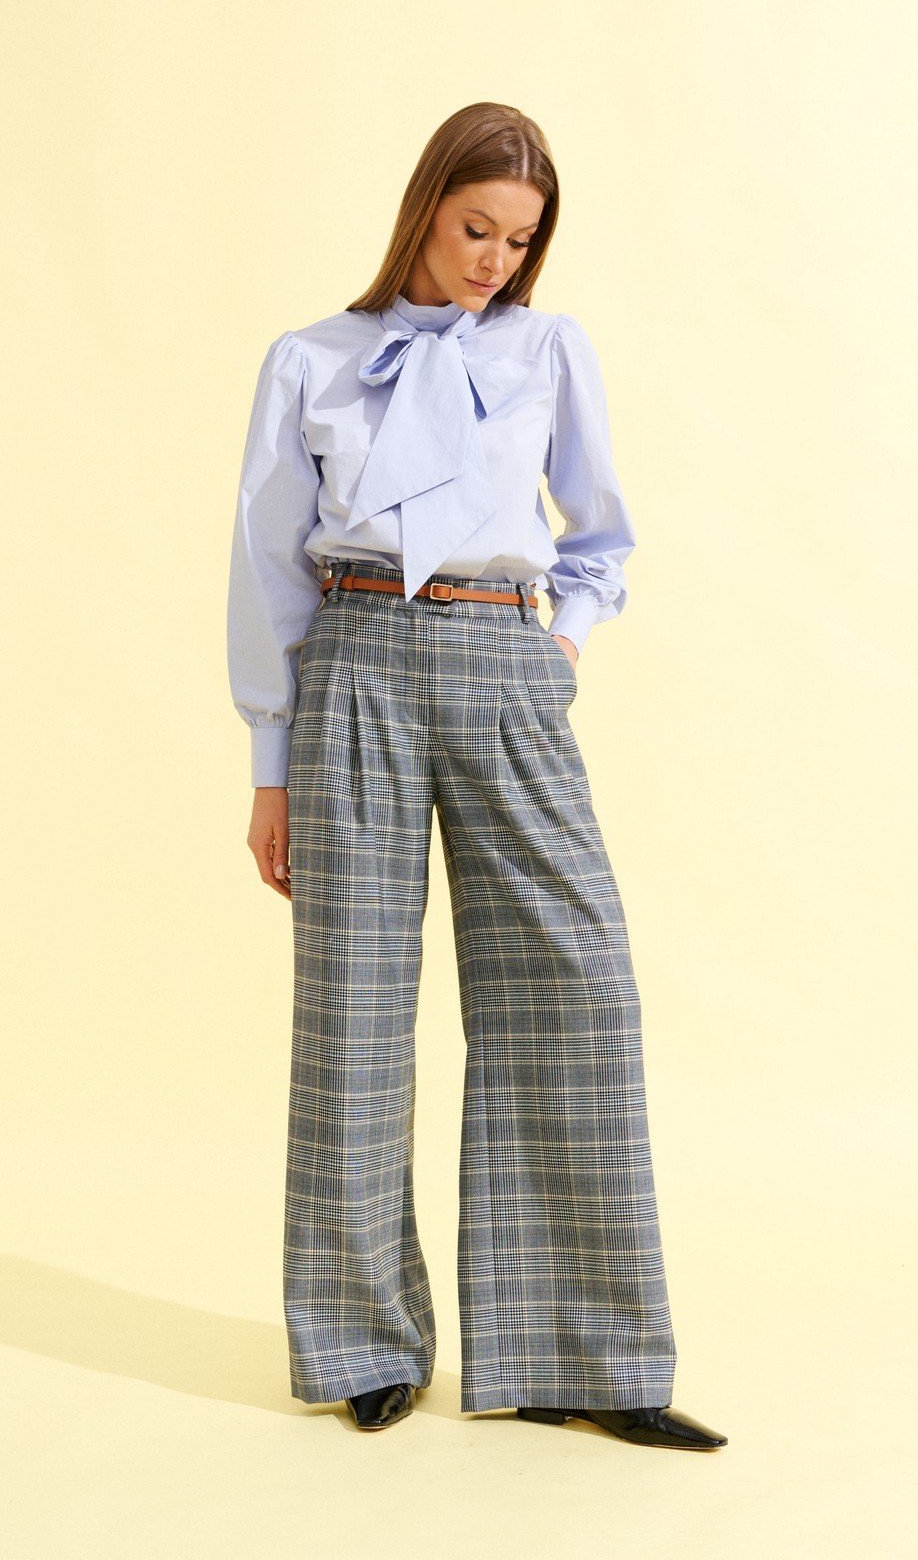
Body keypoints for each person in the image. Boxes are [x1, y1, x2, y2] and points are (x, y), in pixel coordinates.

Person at [226, 102, 727, 1451]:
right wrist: (270, 766)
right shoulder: (312, 359)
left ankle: (583, 1354)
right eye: (474, 228)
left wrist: (557, 650)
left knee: (576, 989)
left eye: (519, 239)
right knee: (353, 1013)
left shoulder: (551, 351)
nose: (494, 259)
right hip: (355, 669)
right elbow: (267, 568)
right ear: (424, 209)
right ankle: (362, 1345)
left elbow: (601, 537)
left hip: (505, 663)